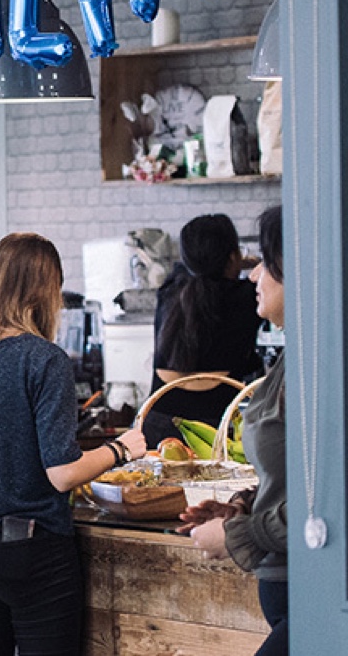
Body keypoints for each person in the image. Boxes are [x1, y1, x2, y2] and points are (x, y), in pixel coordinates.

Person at [0, 233, 146, 656]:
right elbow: (63, 473)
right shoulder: (43, 358)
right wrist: (124, 448)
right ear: (46, 289)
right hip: (34, 554)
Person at [181, 205, 287, 656]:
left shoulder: (323, 363)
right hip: (286, 587)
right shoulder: (293, 357)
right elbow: (290, 482)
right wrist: (238, 507)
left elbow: (329, 505)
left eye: (264, 263)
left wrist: (235, 534)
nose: (252, 275)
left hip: (312, 588)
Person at [144, 213, 265, 447]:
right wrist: (249, 261)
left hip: (156, 424)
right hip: (211, 429)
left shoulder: (169, 292)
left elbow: (185, 270)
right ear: (232, 257)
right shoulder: (247, 297)